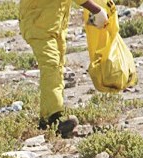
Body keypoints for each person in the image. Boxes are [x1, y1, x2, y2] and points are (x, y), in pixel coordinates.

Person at [20, 0, 107, 137]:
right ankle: (55, 116)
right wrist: (95, 9)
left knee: (57, 67)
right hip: (38, 24)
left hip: (55, 24)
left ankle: (46, 118)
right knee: (51, 66)